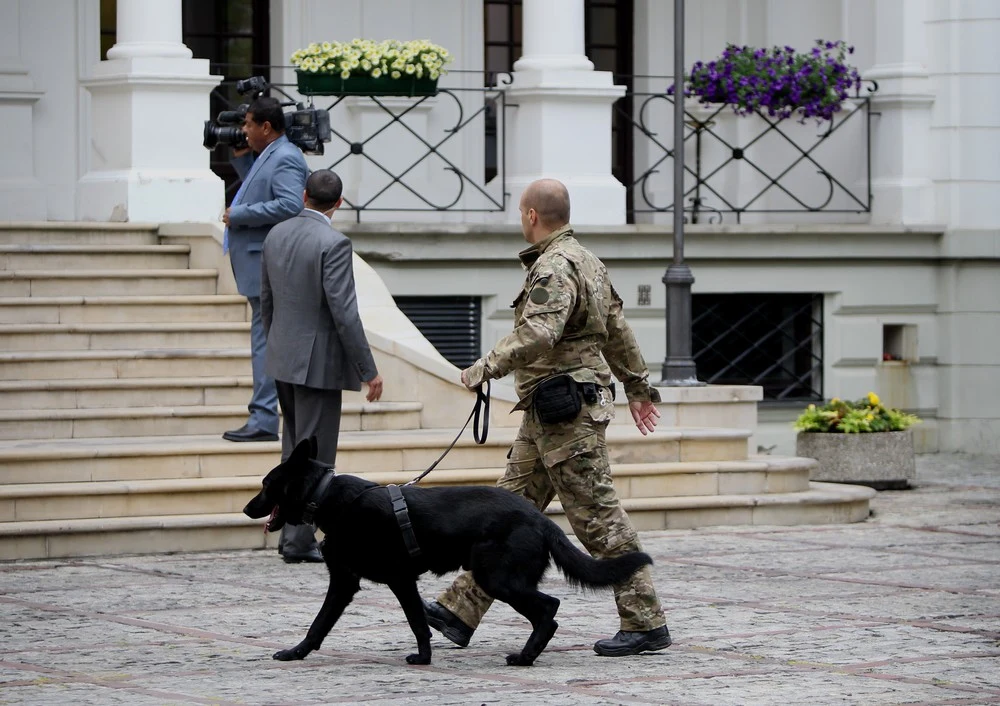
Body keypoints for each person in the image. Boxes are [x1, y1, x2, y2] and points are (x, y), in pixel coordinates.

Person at [423, 178, 672, 657]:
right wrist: (638, 387)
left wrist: (484, 368)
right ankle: (460, 609)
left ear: (531, 216)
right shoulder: (588, 261)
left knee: (597, 517)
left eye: (521, 213)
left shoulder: (555, 266)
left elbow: (540, 331)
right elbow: (618, 330)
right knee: (502, 513)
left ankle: (645, 621)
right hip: (549, 410)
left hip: (568, 413)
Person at [260, 169, 384, 563]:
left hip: (283, 358)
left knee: (292, 451)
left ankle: (288, 534)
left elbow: (266, 303)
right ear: (339, 203)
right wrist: (368, 369)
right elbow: (344, 313)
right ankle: (298, 541)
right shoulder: (334, 242)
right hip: (317, 363)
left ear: (303, 195)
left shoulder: (275, 234)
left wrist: (277, 346)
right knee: (314, 459)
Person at [221, 96, 309, 443]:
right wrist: (243, 160)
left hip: (266, 262)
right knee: (264, 341)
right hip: (258, 262)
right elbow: (258, 190)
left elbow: (289, 205)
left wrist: (237, 214)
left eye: (248, 124)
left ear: (266, 127)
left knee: (264, 342)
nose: (243, 130)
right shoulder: (272, 154)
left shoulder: (285, 156)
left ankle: (262, 418)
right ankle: (263, 415)